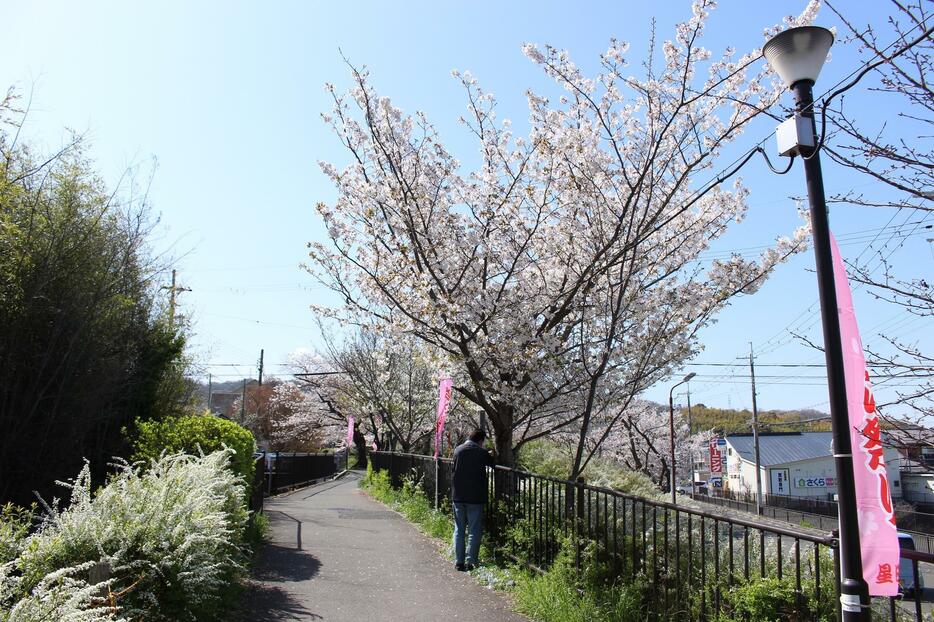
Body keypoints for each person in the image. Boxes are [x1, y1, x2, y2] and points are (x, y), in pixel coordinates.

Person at [451, 428, 495, 571]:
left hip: (458, 496)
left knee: (459, 529)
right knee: (474, 530)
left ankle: (459, 561)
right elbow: (493, 464)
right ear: (481, 441)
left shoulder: (458, 450)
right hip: (475, 497)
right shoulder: (481, 453)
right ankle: (471, 562)